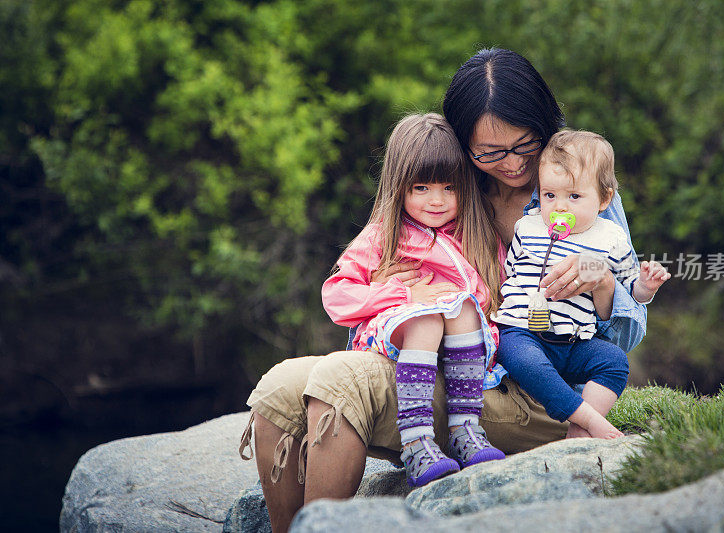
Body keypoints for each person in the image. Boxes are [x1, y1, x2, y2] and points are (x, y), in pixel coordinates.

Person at [239, 48, 647, 533]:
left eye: (524, 145)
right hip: (450, 365)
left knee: (344, 380)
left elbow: (628, 328)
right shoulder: (449, 187)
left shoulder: (577, 183)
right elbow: (373, 266)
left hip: (534, 382)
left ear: (545, 125)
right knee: (279, 389)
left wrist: (602, 282)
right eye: (489, 152)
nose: (512, 164)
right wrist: (398, 291)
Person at [321, 113, 506, 486]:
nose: (436, 201)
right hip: (397, 337)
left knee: (462, 307)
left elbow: (502, 287)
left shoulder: (475, 233)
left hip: (463, 346)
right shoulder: (383, 236)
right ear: (399, 187)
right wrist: (403, 294)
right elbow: (336, 295)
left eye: (449, 188)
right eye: (421, 187)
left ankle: (465, 431)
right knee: (427, 317)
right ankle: (417, 441)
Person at [493, 130, 670, 440]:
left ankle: (576, 431)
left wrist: (647, 285)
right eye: (550, 195)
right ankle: (588, 420)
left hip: (574, 340)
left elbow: (631, 293)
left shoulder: (610, 239)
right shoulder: (528, 226)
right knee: (522, 357)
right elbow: (509, 274)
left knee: (614, 362)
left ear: (604, 199)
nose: (559, 207)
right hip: (523, 331)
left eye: (574, 196)